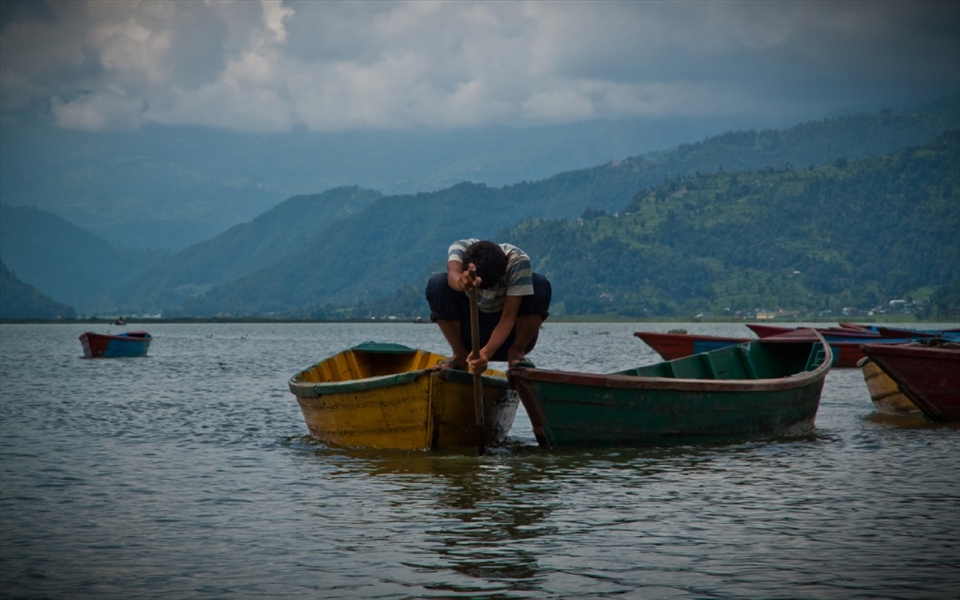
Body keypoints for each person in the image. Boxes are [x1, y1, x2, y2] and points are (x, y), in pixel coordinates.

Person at [425, 239, 551, 373]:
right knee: (437, 283)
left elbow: (508, 319)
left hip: (509, 335)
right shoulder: (459, 248)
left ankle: (516, 354)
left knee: (539, 283)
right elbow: (452, 275)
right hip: (470, 331)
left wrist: (486, 353)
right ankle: (460, 355)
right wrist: (461, 282)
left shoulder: (518, 261)